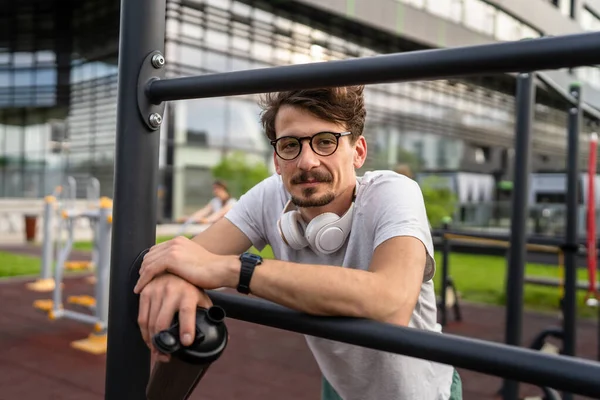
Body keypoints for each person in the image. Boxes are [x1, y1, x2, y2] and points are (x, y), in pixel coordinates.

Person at [134, 86, 462, 399]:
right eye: (290, 145)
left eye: (325, 141)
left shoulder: (393, 192)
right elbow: (189, 257)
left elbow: (391, 302)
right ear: (277, 160)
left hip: (423, 393)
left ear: (358, 152)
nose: (306, 162)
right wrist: (175, 276)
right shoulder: (270, 196)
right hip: (340, 387)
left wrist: (235, 270)